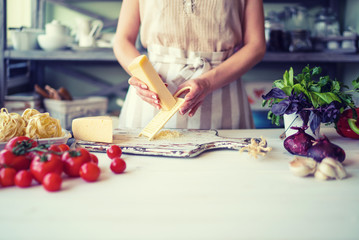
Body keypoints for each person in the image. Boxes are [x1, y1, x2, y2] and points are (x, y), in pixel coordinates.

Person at [113, 0, 266, 129]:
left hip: (223, 92)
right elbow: (122, 40)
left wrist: (207, 82)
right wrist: (144, 77)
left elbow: (256, 46)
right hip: (153, 96)